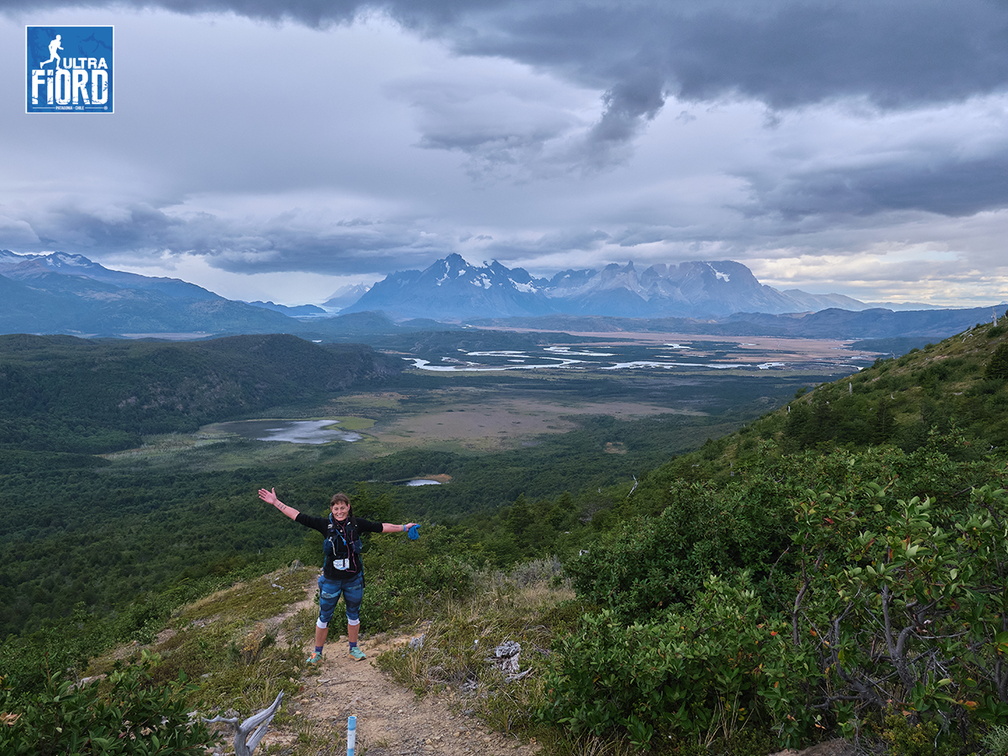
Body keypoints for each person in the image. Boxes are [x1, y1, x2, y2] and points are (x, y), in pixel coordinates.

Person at [258, 487, 417, 663]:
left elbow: (381, 527)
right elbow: (297, 515)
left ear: (348, 507)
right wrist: (275, 502)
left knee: (354, 615)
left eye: (342, 507)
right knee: (324, 616)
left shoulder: (357, 524)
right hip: (331, 580)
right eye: (336, 508)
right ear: (331, 510)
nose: (339, 511)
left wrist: (404, 527)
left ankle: (353, 649)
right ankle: (317, 653)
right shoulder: (324, 525)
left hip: (353, 579)